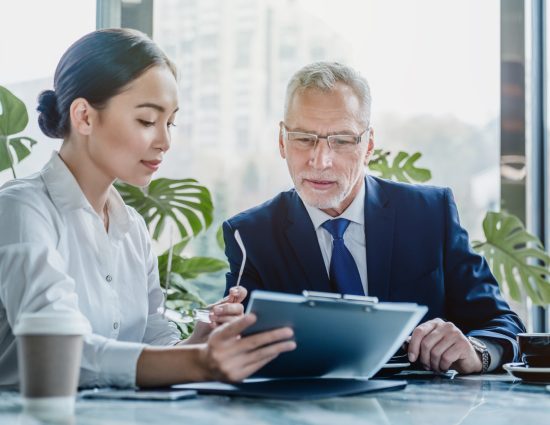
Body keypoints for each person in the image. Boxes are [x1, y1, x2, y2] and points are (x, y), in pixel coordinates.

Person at [0, 28, 295, 389]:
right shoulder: (22, 210)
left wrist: (202, 338)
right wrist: (198, 361)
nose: (165, 141)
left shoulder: (132, 229)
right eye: (146, 121)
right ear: (84, 117)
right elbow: (55, 350)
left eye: (169, 122)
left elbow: (154, 343)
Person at [223, 61, 525, 375]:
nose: (321, 161)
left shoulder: (430, 215)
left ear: (367, 145)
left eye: (341, 140)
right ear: (282, 141)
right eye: (304, 138)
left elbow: (504, 324)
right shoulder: (249, 235)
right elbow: (235, 349)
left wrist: (478, 351)